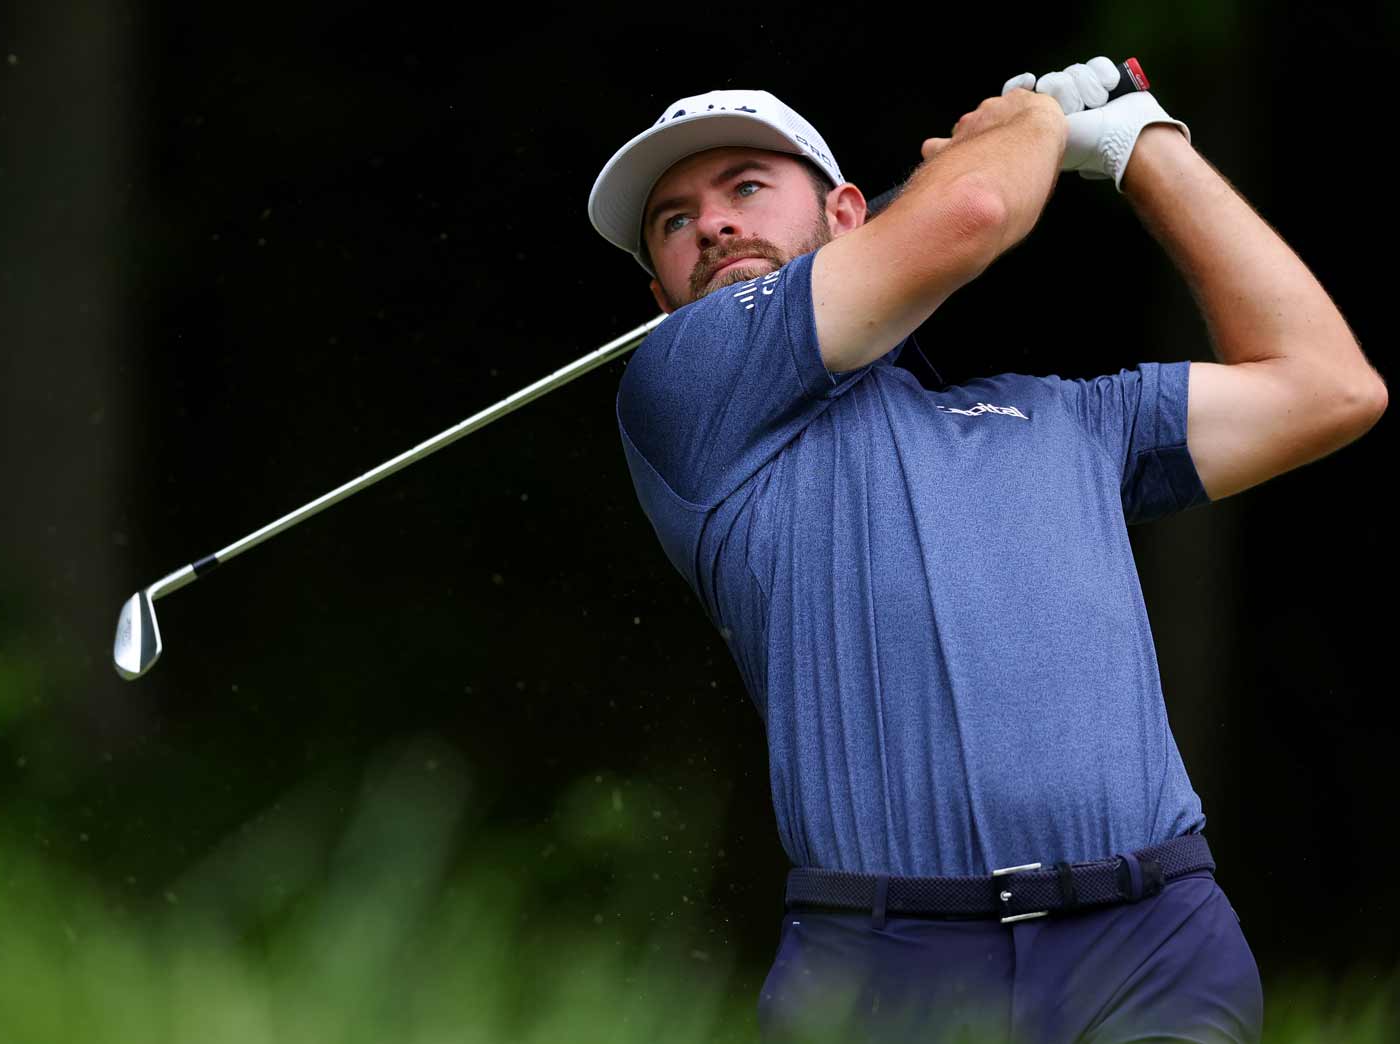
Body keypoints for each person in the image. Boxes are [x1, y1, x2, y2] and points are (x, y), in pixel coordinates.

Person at [586, 57, 1385, 1043]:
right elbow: (970, 209)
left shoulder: (1066, 418)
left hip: (1153, 942)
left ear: (846, 213)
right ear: (661, 297)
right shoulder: (683, 386)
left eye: (744, 187)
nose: (710, 225)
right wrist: (1028, 119)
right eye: (673, 221)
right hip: (886, 963)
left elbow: (1330, 389)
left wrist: (1141, 143)